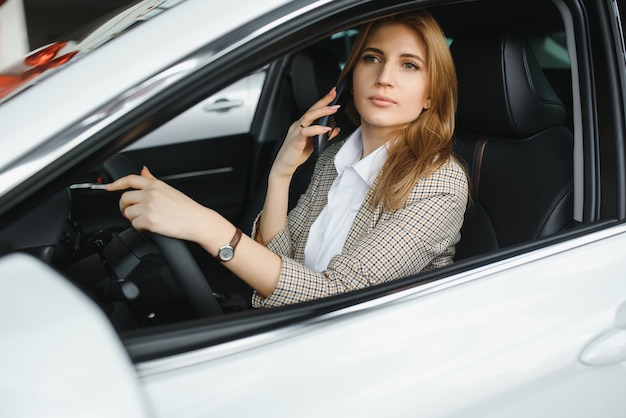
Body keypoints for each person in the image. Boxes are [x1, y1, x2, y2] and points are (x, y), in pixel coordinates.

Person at [107, 10, 469, 308]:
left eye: (409, 66)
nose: (384, 78)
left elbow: (339, 297)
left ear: (430, 96)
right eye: (372, 58)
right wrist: (281, 174)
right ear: (351, 78)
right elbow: (282, 259)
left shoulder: (440, 181)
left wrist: (204, 225)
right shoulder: (335, 160)